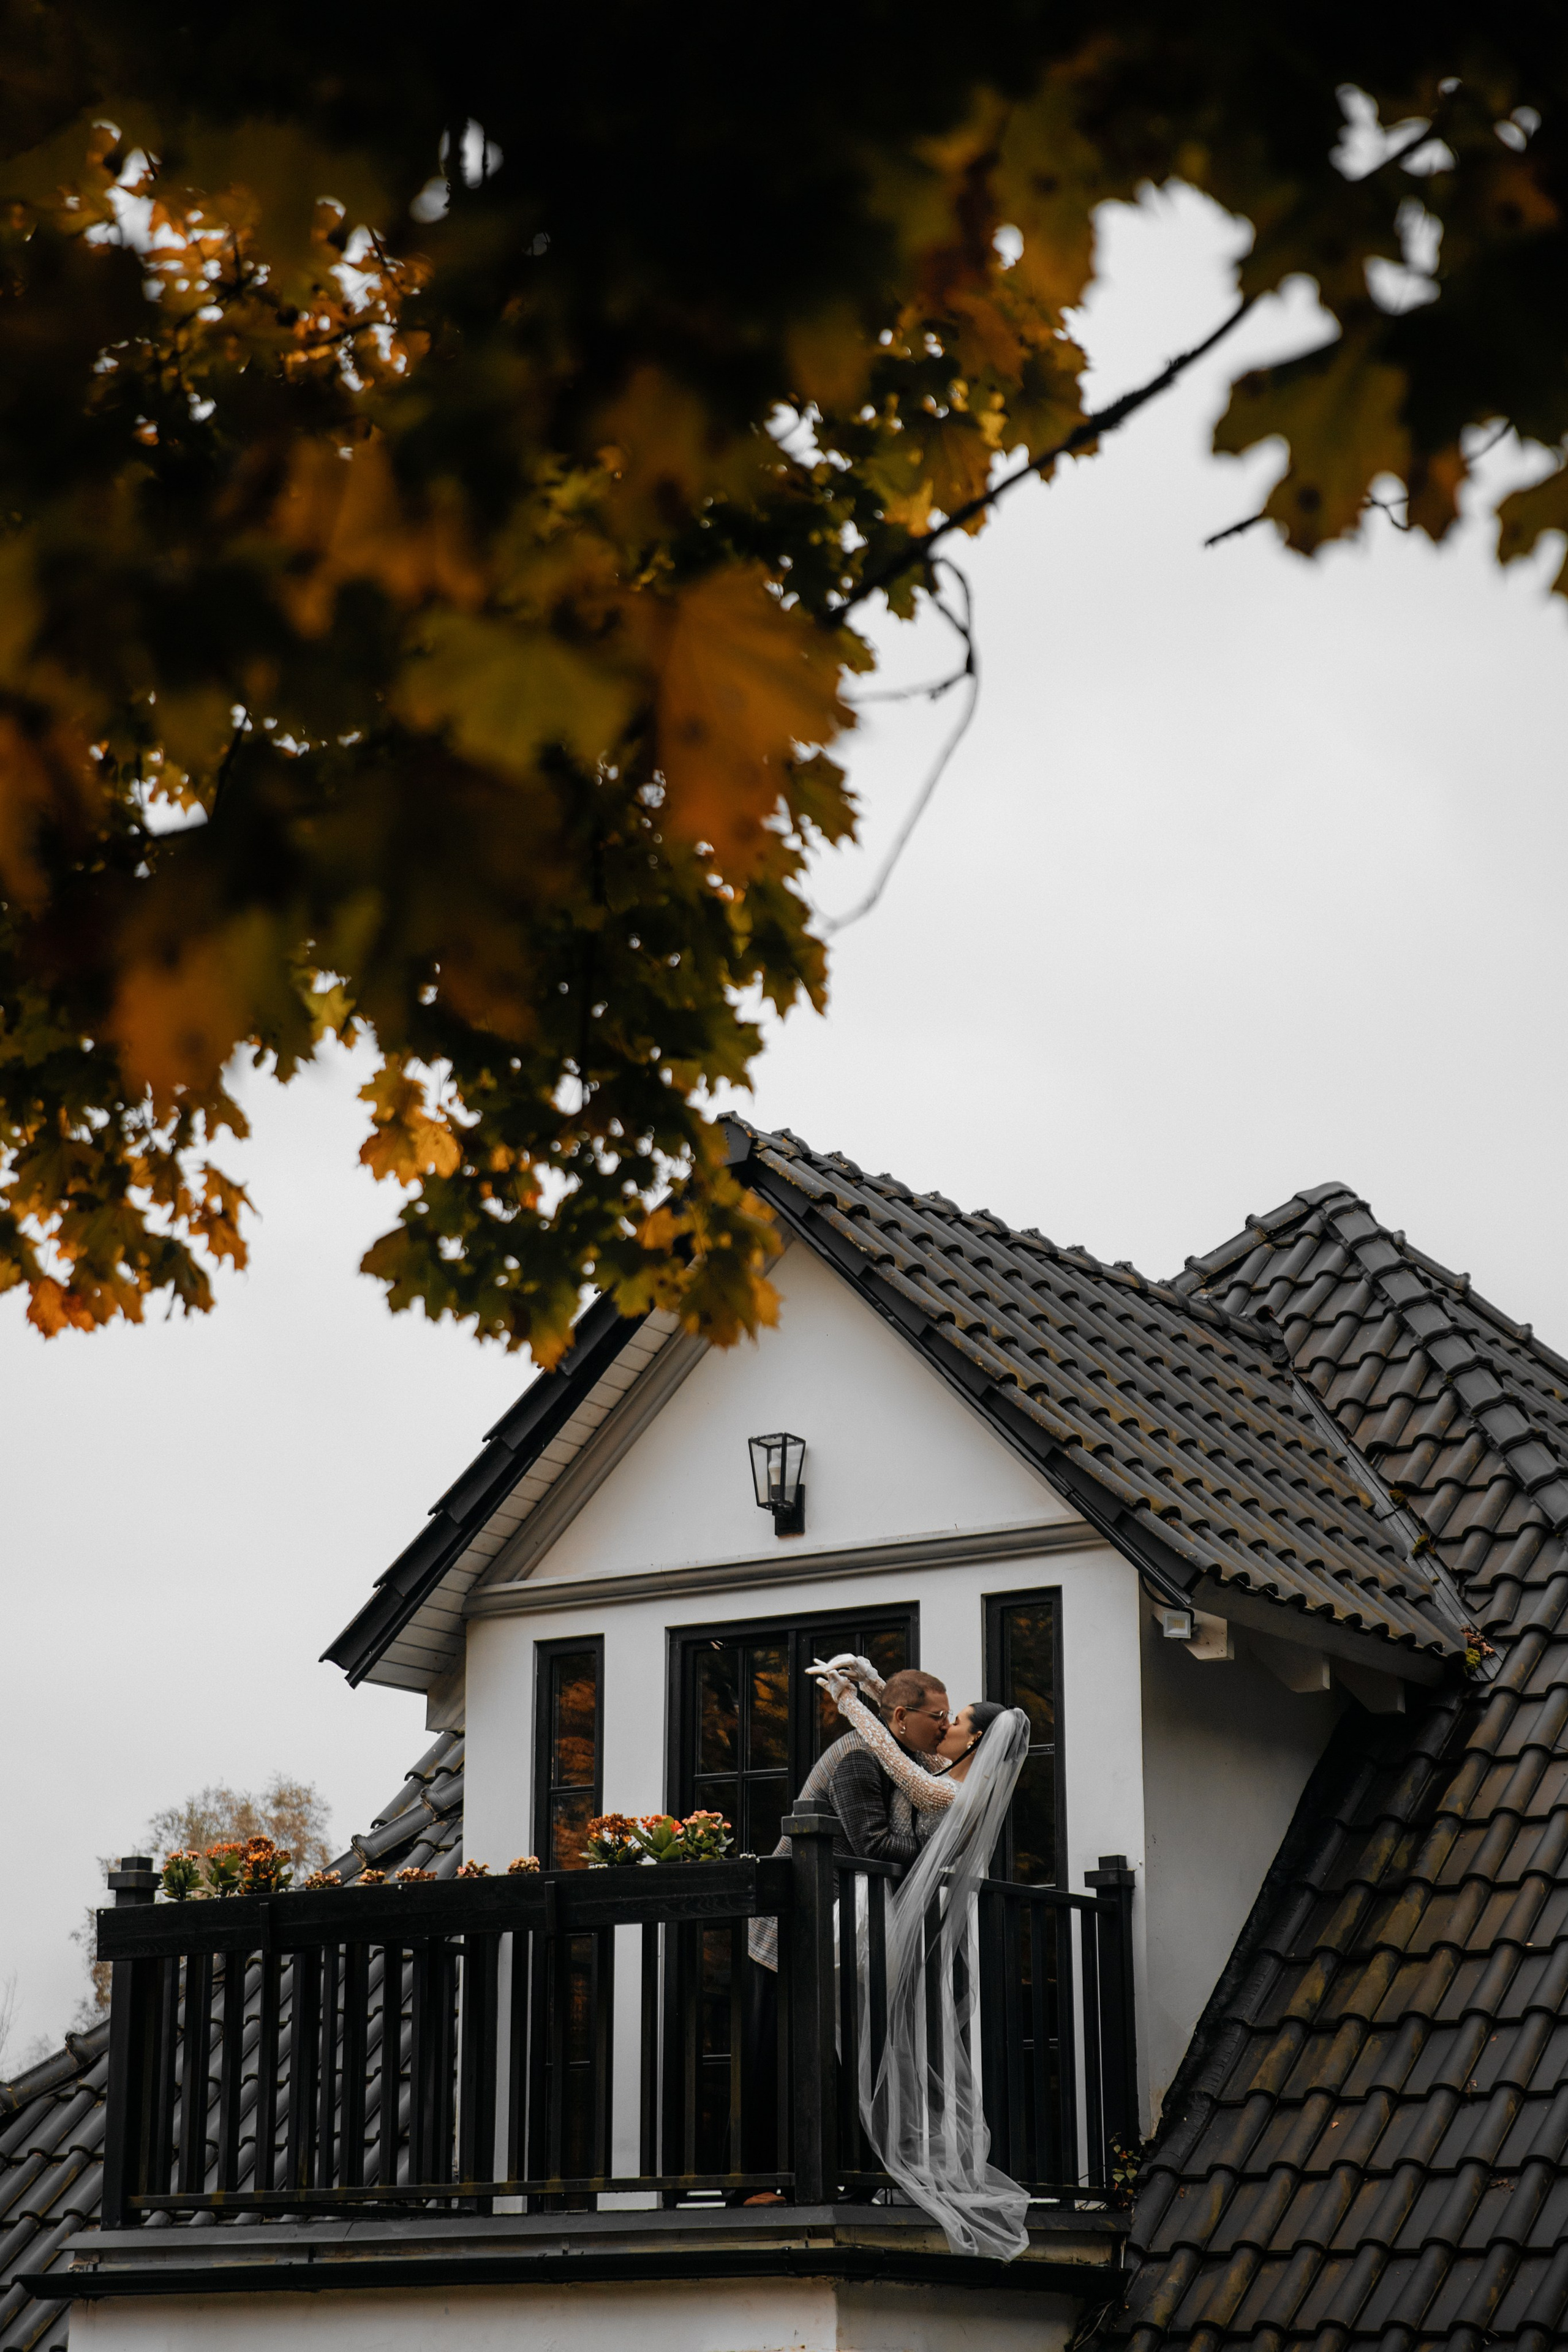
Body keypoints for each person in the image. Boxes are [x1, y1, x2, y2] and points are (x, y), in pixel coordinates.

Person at [810, 1657, 1033, 2260]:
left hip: (895, 1920)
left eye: (954, 1720)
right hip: (901, 1915)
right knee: (894, 2044)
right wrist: (879, 1689)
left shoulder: (943, 1786)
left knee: (890, 2045)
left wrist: (851, 1702)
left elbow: (892, 1748)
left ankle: (899, 2159)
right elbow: (899, 1737)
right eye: (941, 1716)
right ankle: (892, 2157)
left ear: (975, 1741)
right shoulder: (945, 1770)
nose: (945, 1724)